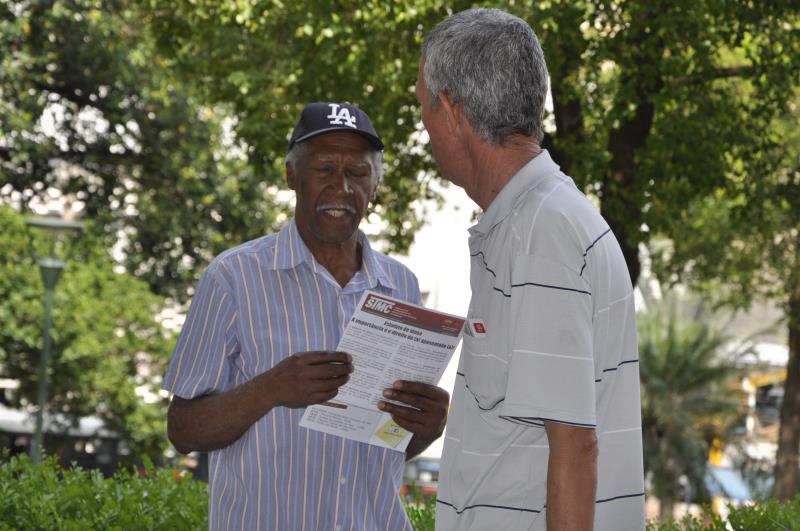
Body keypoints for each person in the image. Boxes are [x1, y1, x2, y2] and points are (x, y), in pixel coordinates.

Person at [162, 102, 450, 531]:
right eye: (324, 169)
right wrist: (269, 389)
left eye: (358, 172)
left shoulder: (401, 285)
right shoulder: (234, 277)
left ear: (374, 185)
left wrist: (427, 425)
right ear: (292, 175)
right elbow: (183, 430)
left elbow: (386, 443)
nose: (341, 187)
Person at [417, 9, 646, 531]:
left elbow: (575, 446)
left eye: (423, 106)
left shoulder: (542, 233)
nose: (425, 128)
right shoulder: (530, 221)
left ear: (450, 111)